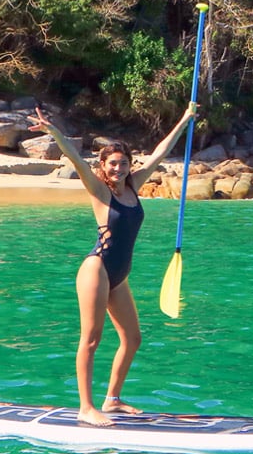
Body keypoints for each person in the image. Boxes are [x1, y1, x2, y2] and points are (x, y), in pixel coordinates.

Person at [26, 103, 199, 427]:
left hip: (119, 277)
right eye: (113, 164)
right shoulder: (100, 191)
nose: (118, 168)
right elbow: (76, 160)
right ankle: (86, 407)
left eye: (123, 163)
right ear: (103, 167)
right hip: (97, 269)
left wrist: (185, 120)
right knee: (90, 340)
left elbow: (160, 154)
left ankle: (113, 399)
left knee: (132, 338)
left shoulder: (134, 185)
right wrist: (55, 133)